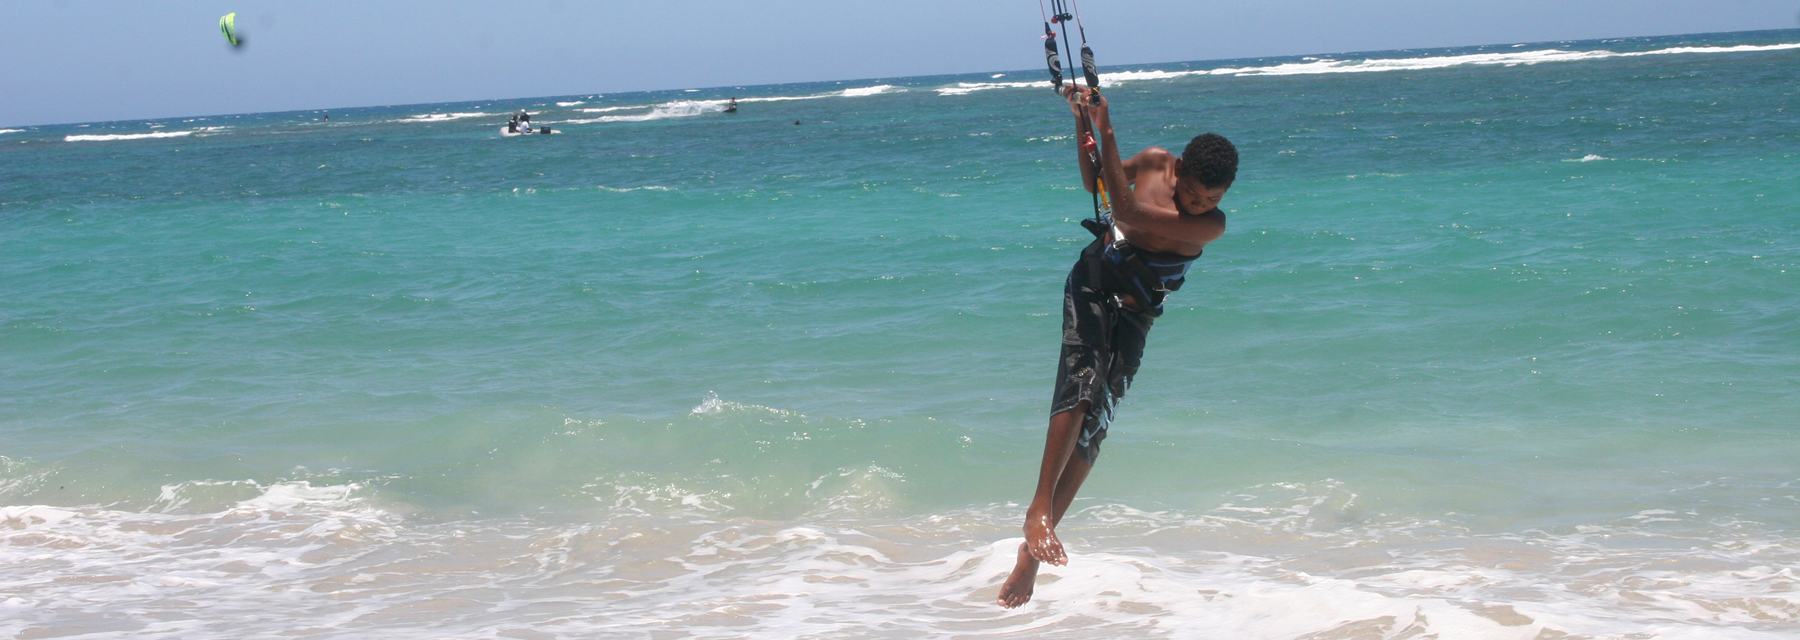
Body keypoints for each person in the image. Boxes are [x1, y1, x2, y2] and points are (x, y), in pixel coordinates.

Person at [996, 84, 1238, 609]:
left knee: (1097, 423)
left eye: (1211, 200)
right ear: (1177, 169)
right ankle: (1037, 508)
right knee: (1080, 387)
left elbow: (1125, 213)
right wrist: (1084, 123)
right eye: (1194, 193)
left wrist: (1105, 125)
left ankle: (1031, 555)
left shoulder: (1212, 226)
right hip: (1092, 280)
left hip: (1138, 311)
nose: (1199, 206)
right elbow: (1096, 182)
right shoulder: (1152, 163)